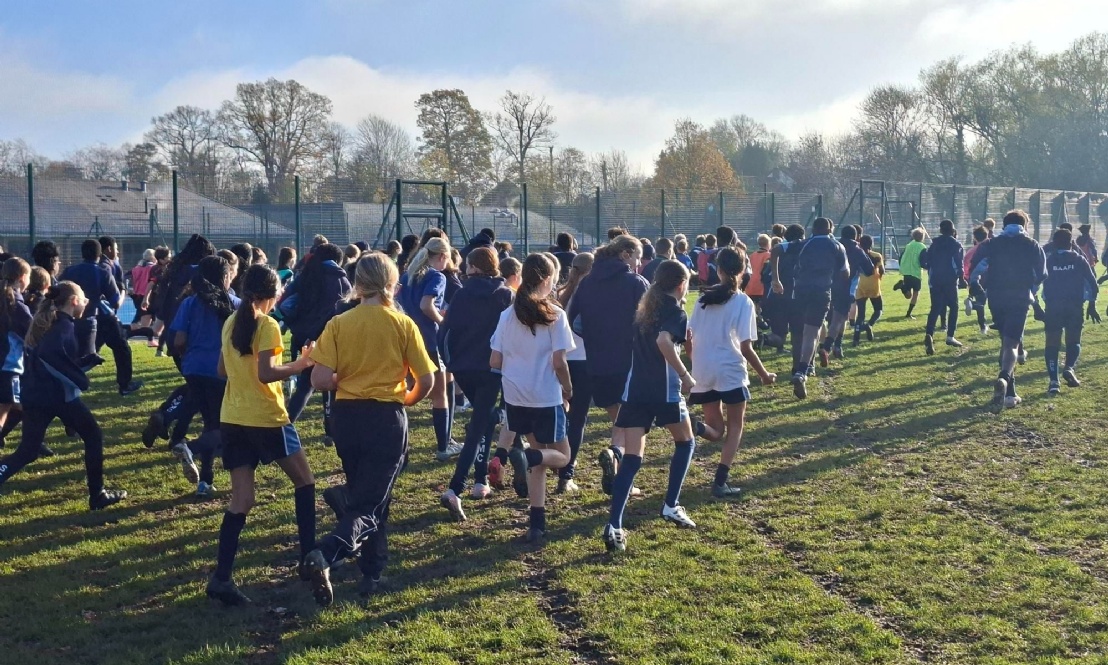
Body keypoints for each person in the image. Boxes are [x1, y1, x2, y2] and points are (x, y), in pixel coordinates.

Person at [300, 252, 435, 605]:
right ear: (392, 284)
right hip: (385, 417)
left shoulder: (339, 323)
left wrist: (344, 377)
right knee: (372, 503)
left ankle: (371, 569)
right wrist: (406, 400)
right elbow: (426, 380)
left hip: (346, 417)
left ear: (357, 284)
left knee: (370, 492)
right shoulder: (402, 324)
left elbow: (318, 379)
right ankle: (328, 552)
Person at [206, 265, 317, 606]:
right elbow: (267, 373)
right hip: (267, 418)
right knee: (305, 482)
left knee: (242, 500)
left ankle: (221, 578)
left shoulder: (231, 321)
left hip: (233, 417)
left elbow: (221, 369)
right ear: (272, 294)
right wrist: (301, 364)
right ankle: (309, 560)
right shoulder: (267, 325)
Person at [0, 282, 126, 510]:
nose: (86, 302)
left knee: (28, 451)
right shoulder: (64, 324)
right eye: (83, 298)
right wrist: (79, 379)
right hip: (58, 397)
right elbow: (50, 356)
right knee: (93, 436)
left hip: (35, 395)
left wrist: (83, 364)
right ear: (73, 301)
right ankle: (97, 495)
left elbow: (52, 359)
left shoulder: (52, 322)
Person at [603, 260, 696, 552]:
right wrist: (686, 375)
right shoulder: (676, 312)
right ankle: (671, 504)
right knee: (686, 442)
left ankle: (614, 525)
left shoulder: (645, 311)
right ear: (681, 284)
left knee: (632, 458)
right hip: (664, 391)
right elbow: (664, 342)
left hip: (636, 390)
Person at [490, 254, 573, 544]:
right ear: (548, 280)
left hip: (516, 396)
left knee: (539, 461)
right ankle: (526, 457)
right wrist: (568, 389)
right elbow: (559, 362)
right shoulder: (555, 315)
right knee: (563, 458)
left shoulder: (507, 315)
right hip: (545, 396)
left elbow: (494, 360)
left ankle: (536, 523)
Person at [687, 248, 775, 498]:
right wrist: (764, 374)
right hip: (730, 369)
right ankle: (720, 481)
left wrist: (695, 362)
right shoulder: (743, 301)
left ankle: (696, 427)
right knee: (735, 427)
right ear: (744, 269)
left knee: (715, 430)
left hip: (703, 368)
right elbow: (746, 347)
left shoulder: (702, 300)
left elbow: (688, 337)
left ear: (718, 270)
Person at [566, 235, 648, 496]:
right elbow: (651, 321)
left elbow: (574, 320)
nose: (639, 263)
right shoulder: (635, 282)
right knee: (634, 424)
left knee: (620, 420)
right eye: (637, 257)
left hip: (597, 363)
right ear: (625, 254)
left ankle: (615, 458)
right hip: (630, 362)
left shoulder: (587, 282)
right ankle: (620, 466)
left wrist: (595, 337)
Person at [438, 247, 514, 520]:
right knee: (479, 425)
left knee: (484, 419)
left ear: (473, 266)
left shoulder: (461, 294)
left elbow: (446, 332)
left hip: (463, 368)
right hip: (492, 368)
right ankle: (455, 488)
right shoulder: (505, 295)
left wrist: (451, 362)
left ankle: (480, 480)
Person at [170, 256, 240, 497]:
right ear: (226, 277)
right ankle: (191, 449)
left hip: (193, 369)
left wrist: (189, 354)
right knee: (222, 427)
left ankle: (206, 480)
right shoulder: (235, 304)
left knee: (210, 423)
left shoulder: (189, 303)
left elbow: (179, 340)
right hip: (221, 372)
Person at [969, 210, 1046, 408]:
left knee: (1005, 341)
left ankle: (1010, 393)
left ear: (1004, 225)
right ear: (1025, 225)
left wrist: (975, 285)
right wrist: (1031, 289)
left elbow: (975, 268)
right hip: (1019, 297)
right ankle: (1004, 378)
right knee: (1011, 344)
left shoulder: (990, 244)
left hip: (996, 297)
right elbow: (1041, 274)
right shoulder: (1032, 245)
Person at [399, 237, 460, 461]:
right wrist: (442, 322)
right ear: (442, 256)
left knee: (402, 391)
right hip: (429, 340)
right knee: (440, 394)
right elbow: (427, 305)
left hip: (406, 339)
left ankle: (400, 447)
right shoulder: (436, 276)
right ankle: (444, 446)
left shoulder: (407, 276)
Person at [281, 244, 351, 438]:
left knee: (306, 385)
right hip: (328, 338)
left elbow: (285, 302)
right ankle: (332, 429)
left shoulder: (305, 275)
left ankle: (285, 425)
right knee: (332, 384)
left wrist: (296, 325)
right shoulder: (340, 280)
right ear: (338, 260)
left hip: (304, 337)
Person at [773, 217, 846, 399]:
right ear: (830, 230)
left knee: (798, 332)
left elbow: (776, 249)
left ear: (813, 229)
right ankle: (802, 371)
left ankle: (798, 368)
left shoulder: (803, 243)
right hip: (821, 292)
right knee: (812, 333)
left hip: (800, 291)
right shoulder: (837, 246)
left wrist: (775, 279)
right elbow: (845, 272)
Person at [59, 239, 144, 396]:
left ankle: (66, 383)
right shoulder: (102, 272)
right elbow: (115, 302)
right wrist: (123, 291)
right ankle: (125, 384)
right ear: (100, 253)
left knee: (80, 354)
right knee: (121, 348)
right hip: (99, 317)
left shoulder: (69, 271)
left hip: (72, 318)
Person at [1041, 228, 1098, 395]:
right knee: (1074, 340)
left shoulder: (1048, 261)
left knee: (1052, 342)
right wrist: (1092, 305)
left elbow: (1035, 282)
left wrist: (1036, 305)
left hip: (1053, 307)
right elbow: (1093, 285)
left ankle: (1053, 381)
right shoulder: (1079, 259)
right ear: (1071, 243)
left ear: (1054, 243)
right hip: (1074, 306)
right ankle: (1069, 368)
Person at [555, 252, 594, 494]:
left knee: (561, 416)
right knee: (577, 420)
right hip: (582, 361)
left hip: (560, 360)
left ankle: (556, 459)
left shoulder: (561, 293)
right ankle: (566, 474)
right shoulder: (591, 294)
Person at [820, 225, 873, 362]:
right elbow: (869, 270)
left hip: (826, 286)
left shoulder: (833, 246)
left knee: (831, 319)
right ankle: (828, 347)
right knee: (839, 319)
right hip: (846, 289)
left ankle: (835, 346)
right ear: (856, 237)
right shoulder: (857, 250)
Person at [0, 259, 32, 451]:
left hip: (5, 362)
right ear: (22, 278)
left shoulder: (6, 299)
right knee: (12, 406)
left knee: (14, 407)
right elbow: (31, 333)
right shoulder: (16, 304)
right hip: (8, 364)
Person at [920, 219, 965, 355]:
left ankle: (929, 334)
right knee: (954, 307)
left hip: (935, 280)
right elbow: (958, 263)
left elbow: (926, 261)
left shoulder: (934, 244)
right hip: (949, 280)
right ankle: (950, 336)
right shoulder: (955, 244)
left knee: (935, 308)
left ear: (940, 230)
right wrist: (961, 278)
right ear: (953, 230)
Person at [762, 225, 805, 354]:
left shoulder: (776, 256)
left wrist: (774, 281)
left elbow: (765, 276)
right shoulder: (800, 252)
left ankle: (765, 340)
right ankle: (799, 357)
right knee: (797, 332)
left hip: (774, 296)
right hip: (792, 296)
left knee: (779, 334)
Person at [852, 235, 884, 345]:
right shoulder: (877, 256)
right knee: (878, 309)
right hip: (873, 284)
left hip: (860, 284)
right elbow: (882, 270)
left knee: (861, 315)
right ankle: (869, 325)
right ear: (872, 244)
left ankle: (856, 339)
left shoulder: (857, 255)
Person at [893, 228, 927, 319]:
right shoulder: (922, 247)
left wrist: (902, 266)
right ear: (922, 237)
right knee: (916, 293)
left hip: (906, 272)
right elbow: (923, 262)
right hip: (915, 272)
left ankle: (902, 286)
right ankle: (908, 313)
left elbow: (901, 257)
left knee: (908, 295)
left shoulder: (908, 245)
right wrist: (928, 266)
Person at [963, 226, 990, 335]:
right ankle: (985, 326)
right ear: (987, 235)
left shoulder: (971, 251)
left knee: (980, 302)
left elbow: (965, 265)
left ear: (975, 238)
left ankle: (982, 326)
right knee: (985, 302)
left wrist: (967, 278)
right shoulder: (989, 248)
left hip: (974, 280)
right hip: (988, 278)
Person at [130, 249, 157, 327]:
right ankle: (144, 331)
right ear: (153, 257)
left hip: (136, 295)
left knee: (140, 315)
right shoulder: (153, 268)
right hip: (147, 295)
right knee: (146, 316)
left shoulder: (136, 268)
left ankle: (134, 328)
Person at [746, 234, 771, 306]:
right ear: (768, 243)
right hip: (761, 286)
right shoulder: (768, 255)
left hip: (750, 285)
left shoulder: (752, 255)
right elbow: (766, 271)